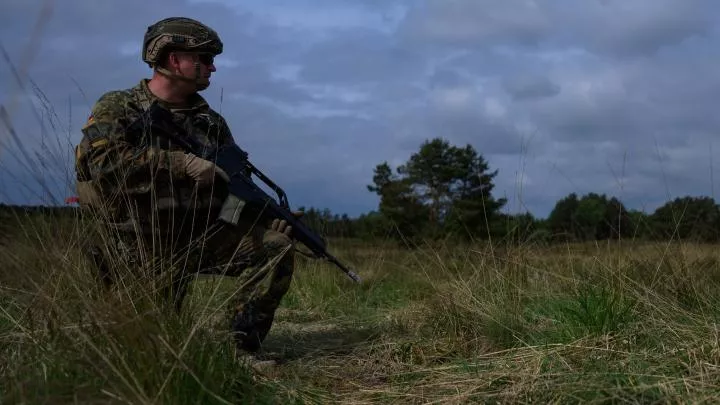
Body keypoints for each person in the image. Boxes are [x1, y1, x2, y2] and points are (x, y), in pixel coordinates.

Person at [73, 16, 298, 363]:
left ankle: (238, 349)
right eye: (204, 59)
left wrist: (258, 219)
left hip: (194, 240)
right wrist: (182, 164)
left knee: (277, 245)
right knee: (144, 350)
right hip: (132, 248)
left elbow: (231, 192)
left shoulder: (211, 124)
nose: (212, 68)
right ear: (173, 59)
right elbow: (100, 164)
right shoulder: (120, 106)